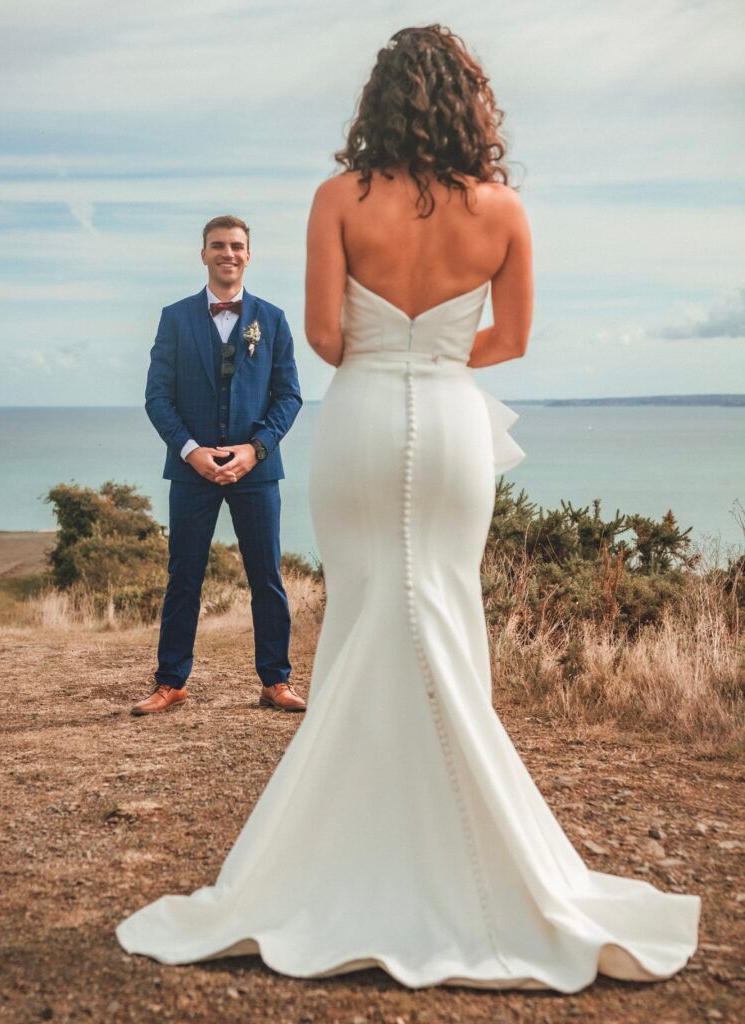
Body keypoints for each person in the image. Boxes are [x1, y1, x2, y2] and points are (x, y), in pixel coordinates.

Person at [116, 27, 700, 991]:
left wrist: (394, 356)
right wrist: (436, 357)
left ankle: (346, 852)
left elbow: (324, 336)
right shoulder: (503, 209)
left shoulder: (335, 200)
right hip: (456, 434)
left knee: (362, 619)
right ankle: (473, 853)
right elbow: (509, 337)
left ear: (377, 100)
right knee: (444, 609)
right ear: (471, 103)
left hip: (363, 424)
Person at [130, 215, 305, 716]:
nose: (227, 253)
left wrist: (256, 450)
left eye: (236, 246)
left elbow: (289, 397)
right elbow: (157, 396)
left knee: (265, 576)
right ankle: (171, 682)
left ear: (249, 254)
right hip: (191, 471)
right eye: (218, 246)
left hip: (258, 471)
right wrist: (191, 450)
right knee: (184, 575)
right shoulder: (175, 318)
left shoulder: (271, 320)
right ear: (203, 254)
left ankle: (276, 682)